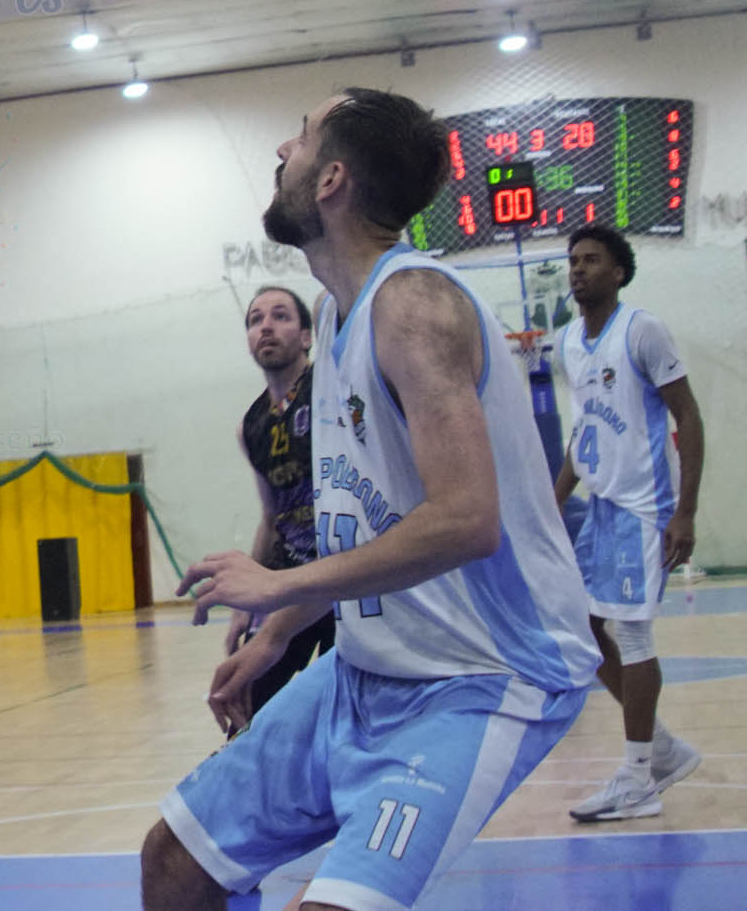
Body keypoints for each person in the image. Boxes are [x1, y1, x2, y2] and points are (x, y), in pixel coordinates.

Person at [141, 89, 599, 911]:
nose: (282, 148)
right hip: (365, 668)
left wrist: (277, 583)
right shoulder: (332, 313)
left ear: (331, 180)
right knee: (174, 861)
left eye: (302, 136)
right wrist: (278, 633)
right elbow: (361, 518)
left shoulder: (413, 307)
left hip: (481, 675)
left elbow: (465, 519)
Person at [553, 223, 705, 821]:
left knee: (635, 635)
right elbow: (581, 435)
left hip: (645, 506)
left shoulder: (642, 330)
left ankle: (638, 777)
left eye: (591, 260)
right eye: (573, 260)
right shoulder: (568, 342)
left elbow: (688, 417)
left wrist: (685, 512)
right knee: (581, 628)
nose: (578, 269)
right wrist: (551, 503)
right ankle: (661, 748)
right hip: (600, 506)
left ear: (618, 273)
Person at [222, 286, 332, 722]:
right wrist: (246, 604)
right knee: (247, 705)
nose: (266, 326)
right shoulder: (250, 426)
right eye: (256, 319)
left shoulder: (332, 389)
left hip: (348, 575)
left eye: (281, 316)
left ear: (307, 336)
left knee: (343, 714)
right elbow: (271, 519)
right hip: (289, 580)